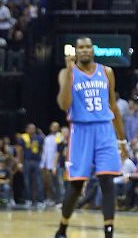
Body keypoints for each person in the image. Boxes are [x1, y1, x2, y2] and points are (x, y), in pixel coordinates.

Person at [54, 37, 128, 238]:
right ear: (76, 51)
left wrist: (122, 139)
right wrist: (69, 71)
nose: (85, 50)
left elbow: (113, 106)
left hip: (104, 129)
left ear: (93, 50)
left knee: (107, 180)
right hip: (81, 130)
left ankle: (109, 232)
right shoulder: (66, 73)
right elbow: (63, 104)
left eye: (88, 47)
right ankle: (62, 228)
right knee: (77, 184)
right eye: (81, 47)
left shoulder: (106, 72)